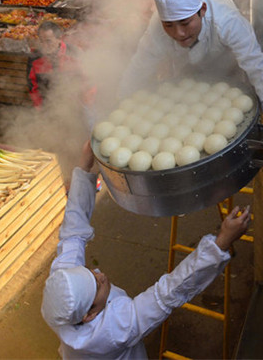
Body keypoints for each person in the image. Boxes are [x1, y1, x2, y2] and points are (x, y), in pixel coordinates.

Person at [41, 141, 250, 358]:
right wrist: (221, 243)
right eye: (98, 284)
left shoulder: (62, 286)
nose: (99, 274)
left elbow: (72, 234)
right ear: (90, 314)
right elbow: (167, 293)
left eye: (89, 272)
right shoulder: (116, 328)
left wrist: (84, 170)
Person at [120, 0, 263, 159]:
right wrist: (122, 109)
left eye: (185, 23)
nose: (179, 33)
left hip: (228, 69)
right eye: (169, 25)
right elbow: (139, 67)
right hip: (187, 76)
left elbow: (256, 65)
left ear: (203, 11)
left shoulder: (227, 22)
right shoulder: (157, 29)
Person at [28, 21, 73, 108]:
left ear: (59, 38)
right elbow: (33, 87)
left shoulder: (73, 53)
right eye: (41, 41)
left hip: (72, 106)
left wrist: (85, 105)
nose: (44, 45)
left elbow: (87, 81)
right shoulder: (34, 58)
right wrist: (39, 108)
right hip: (48, 106)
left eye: (48, 41)